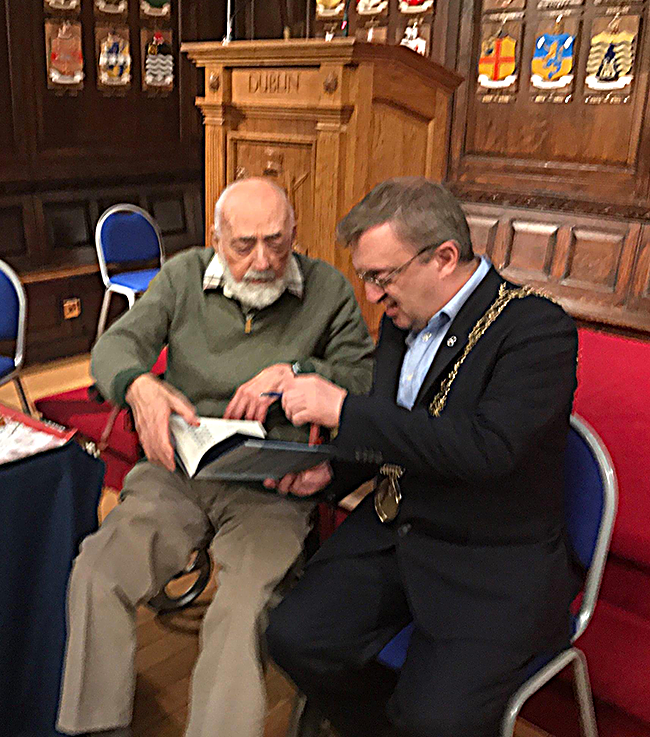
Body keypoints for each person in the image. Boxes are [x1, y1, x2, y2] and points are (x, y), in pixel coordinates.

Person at [56, 177, 374, 737]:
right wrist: (139, 385)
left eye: (277, 242)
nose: (262, 261)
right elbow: (114, 347)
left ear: (295, 234)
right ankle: (97, 729)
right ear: (215, 238)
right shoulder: (183, 276)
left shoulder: (327, 289)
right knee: (98, 573)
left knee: (243, 605)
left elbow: (368, 382)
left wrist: (301, 373)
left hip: (269, 484)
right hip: (178, 472)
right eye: (243, 245)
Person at [265, 177, 581, 737]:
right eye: (365, 277)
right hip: (398, 530)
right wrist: (334, 471)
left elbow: (488, 449)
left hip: (488, 559)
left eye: (380, 277)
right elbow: (400, 426)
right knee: (294, 636)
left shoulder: (536, 328)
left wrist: (345, 410)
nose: (371, 296)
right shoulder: (403, 315)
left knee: (436, 719)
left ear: (445, 258)